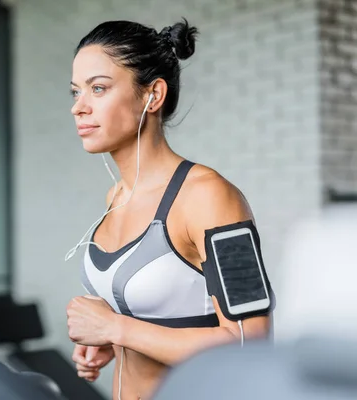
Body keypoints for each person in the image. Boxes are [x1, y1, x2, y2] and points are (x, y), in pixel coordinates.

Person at [63, 19, 273, 400]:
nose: (79, 107)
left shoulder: (209, 197)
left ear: (152, 95)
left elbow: (251, 342)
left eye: (98, 88)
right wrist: (111, 344)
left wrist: (116, 330)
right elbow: (166, 315)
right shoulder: (115, 196)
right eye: (76, 91)